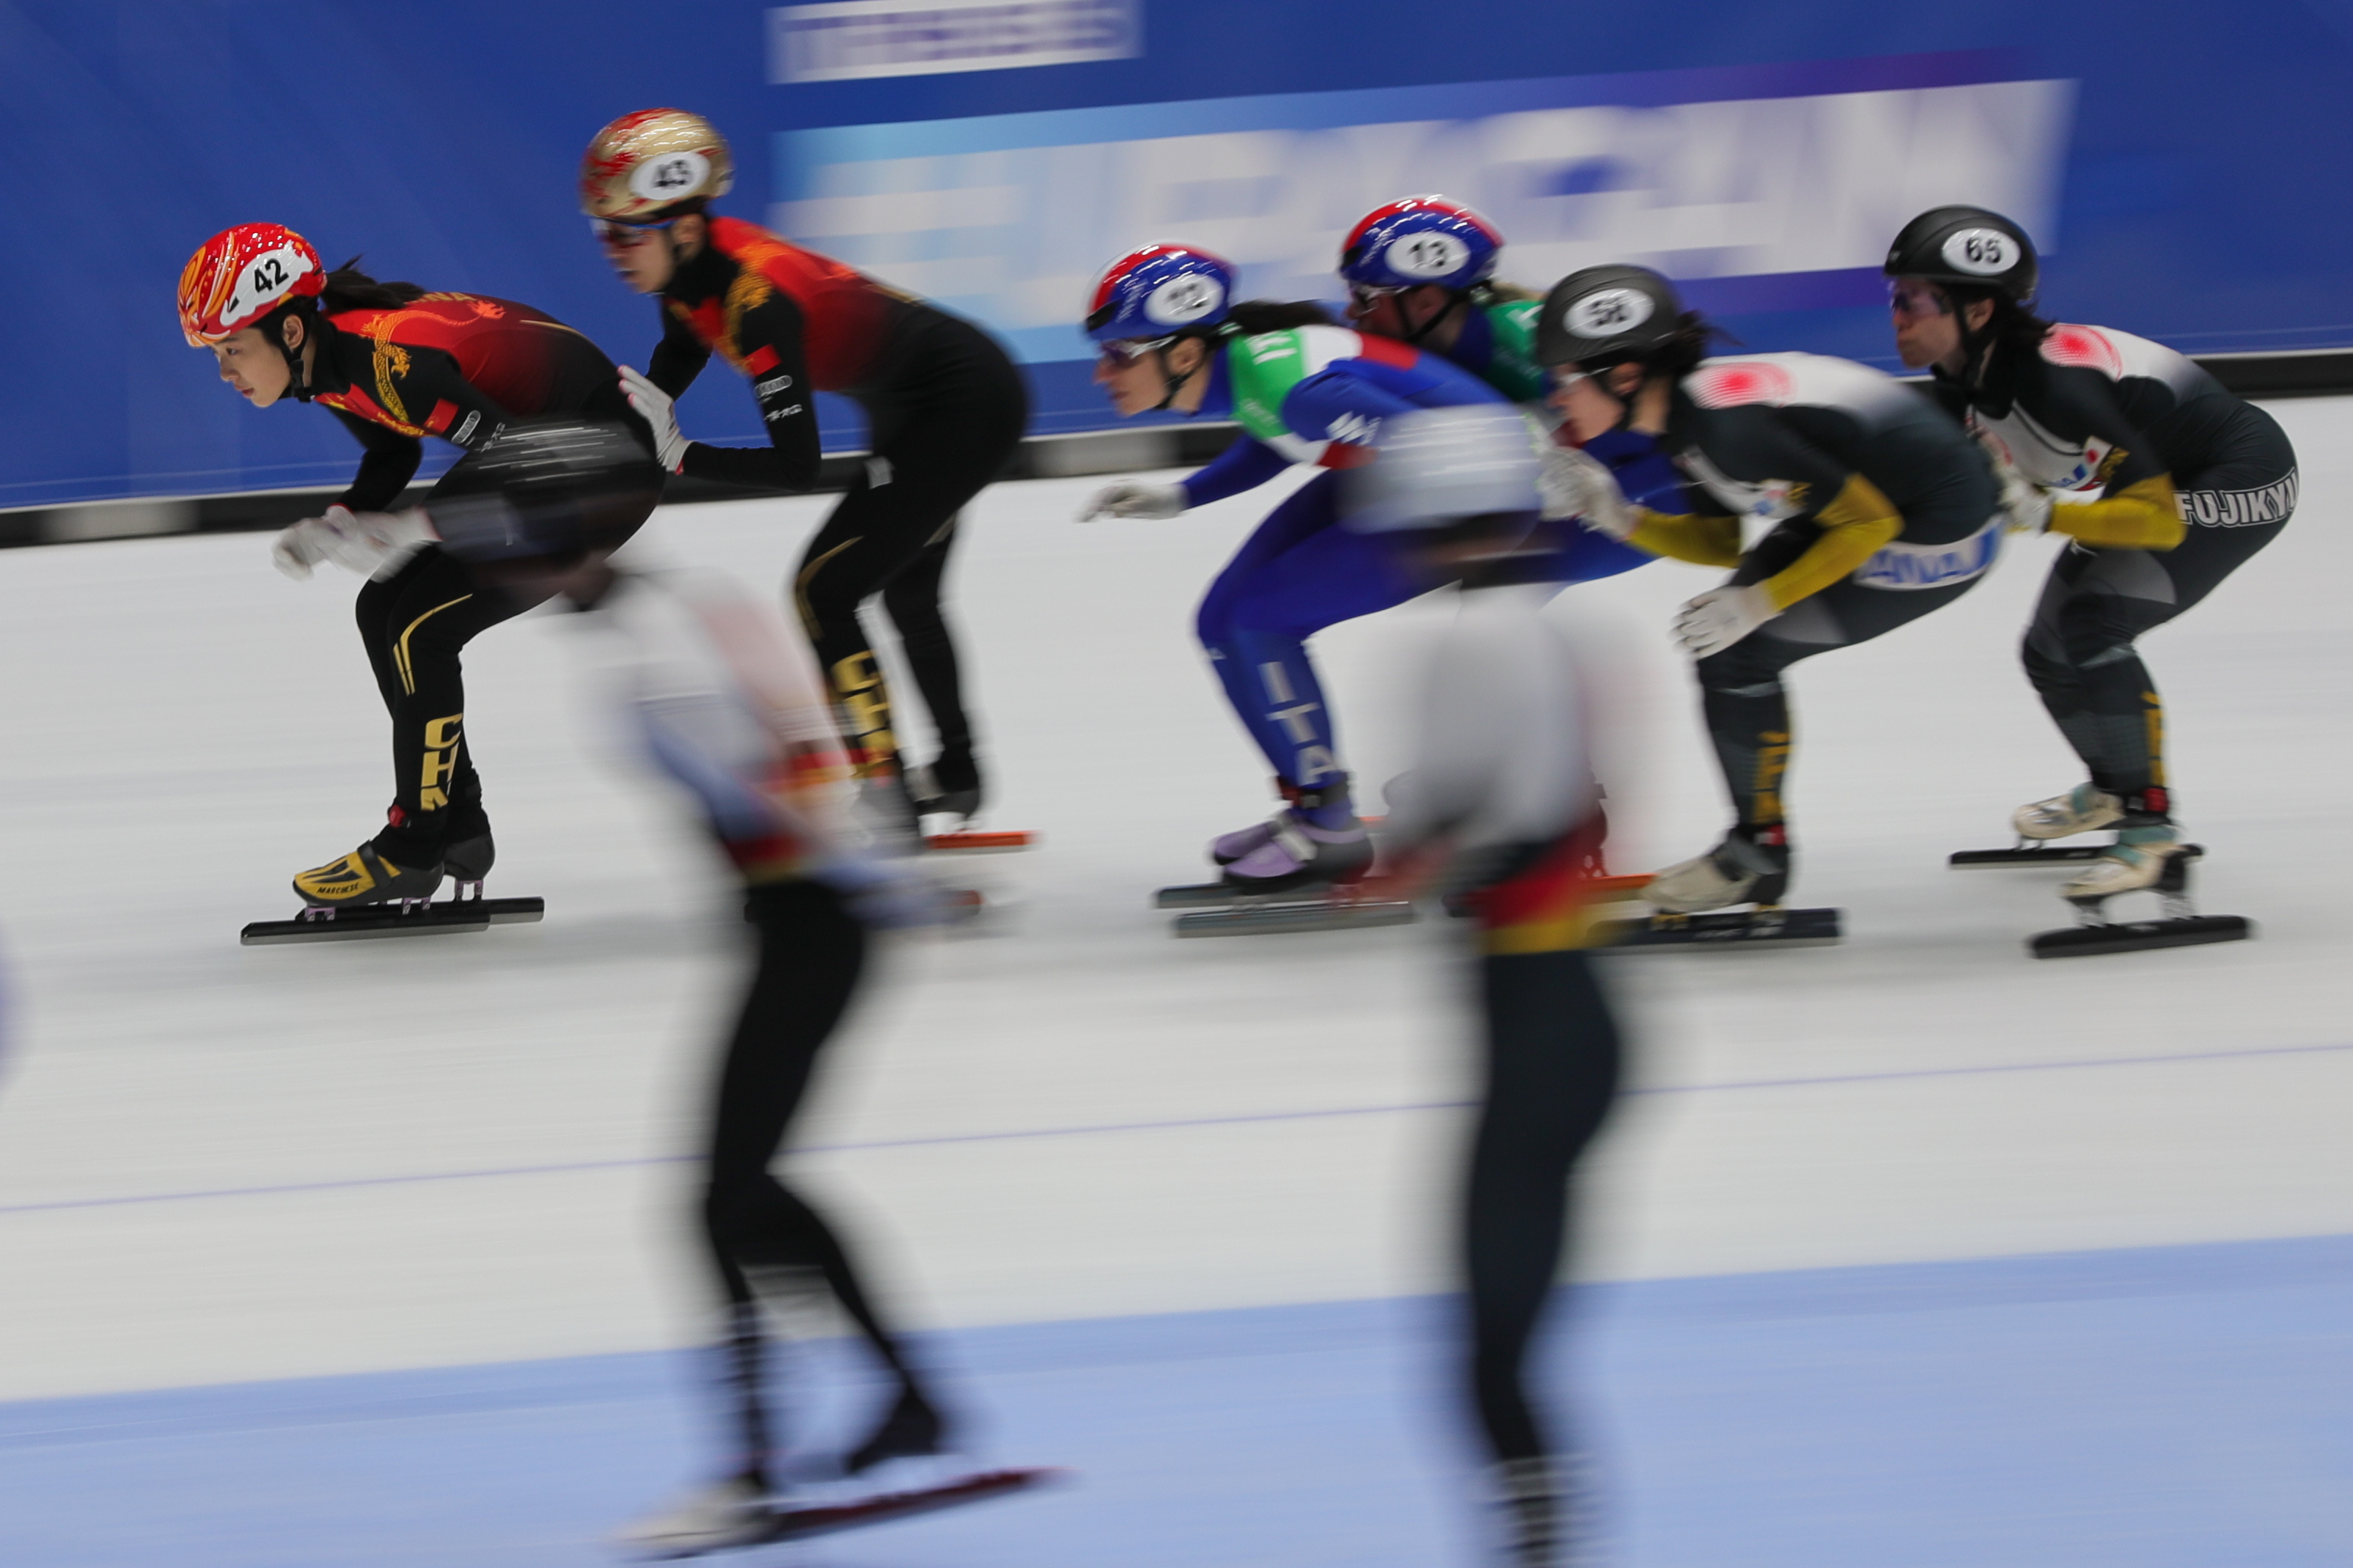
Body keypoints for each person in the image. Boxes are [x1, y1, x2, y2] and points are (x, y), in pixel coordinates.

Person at [425, 419, 963, 1556]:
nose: (487, 577)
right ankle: (912, 1396)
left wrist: (884, 885)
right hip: (813, 921)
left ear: (544, 544)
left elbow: (787, 803)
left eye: (494, 552)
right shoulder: (681, 596)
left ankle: (754, 1468)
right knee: (751, 1188)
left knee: (718, 1203)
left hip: (811, 926)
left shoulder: (644, 673)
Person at [177, 222, 658, 908]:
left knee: (423, 627)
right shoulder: (328, 356)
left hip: (603, 466)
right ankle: (456, 825)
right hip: (557, 451)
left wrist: (411, 525)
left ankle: (413, 844)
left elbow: (520, 461)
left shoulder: (386, 360)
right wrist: (338, 523)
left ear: (287, 332)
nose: (225, 373)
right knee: (381, 607)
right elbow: (394, 453)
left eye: (231, 350)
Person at [581, 108, 1029, 827]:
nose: (611, 249)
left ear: (685, 229)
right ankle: (956, 773)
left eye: (625, 233)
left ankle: (884, 794)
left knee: (824, 591)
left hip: (964, 407)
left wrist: (681, 455)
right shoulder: (689, 270)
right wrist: (645, 412)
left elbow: (796, 467)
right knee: (905, 596)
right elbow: (684, 343)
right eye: (603, 230)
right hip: (919, 405)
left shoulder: (758, 303)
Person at [1347, 406, 1625, 1567]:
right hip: (1569, 1012)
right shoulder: (1544, 629)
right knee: (1499, 1354)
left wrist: (1380, 858)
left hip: (1535, 1023)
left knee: (1486, 1361)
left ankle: (1539, 1541)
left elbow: (1456, 816)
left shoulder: (1469, 637)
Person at [1537, 264, 2004, 913]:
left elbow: (1872, 522)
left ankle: (1758, 855)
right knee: (1725, 646)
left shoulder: (1725, 430)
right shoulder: (1683, 419)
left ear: (1623, 375)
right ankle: (1758, 847)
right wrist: (1617, 514)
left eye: (1564, 381)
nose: (1556, 398)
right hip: (1870, 506)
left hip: (1940, 529)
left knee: (1737, 654)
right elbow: (1721, 543)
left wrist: (1757, 603)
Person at [1077, 241, 1522, 890]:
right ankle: (1308, 803)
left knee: (1261, 619)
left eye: (1118, 355)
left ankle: (1329, 826)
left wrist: (1483, 569)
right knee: (1220, 618)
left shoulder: (1293, 385)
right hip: (1413, 477)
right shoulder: (1253, 373)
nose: (1101, 374)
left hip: (1471, 490)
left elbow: (1436, 444)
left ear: (1183, 354)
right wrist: (1181, 495)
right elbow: (1276, 431)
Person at [1885, 205, 2296, 902]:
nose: (1897, 315)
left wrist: (2047, 512)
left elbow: (2160, 521)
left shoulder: (2057, 381)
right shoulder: (1965, 373)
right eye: (1894, 296)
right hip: (2160, 480)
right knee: (2045, 650)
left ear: (1978, 310)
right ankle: (2114, 785)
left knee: (2094, 627)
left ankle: (2149, 829)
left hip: (2237, 478)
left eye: (1915, 300)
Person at [1340, 196, 1673, 578]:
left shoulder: (1531, 343)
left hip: (1659, 486)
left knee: (1499, 591)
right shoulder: (1420, 349)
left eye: (1364, 297)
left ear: (1426, 302)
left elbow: (1672, 443)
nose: (1351, 312)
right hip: (1584, 480)